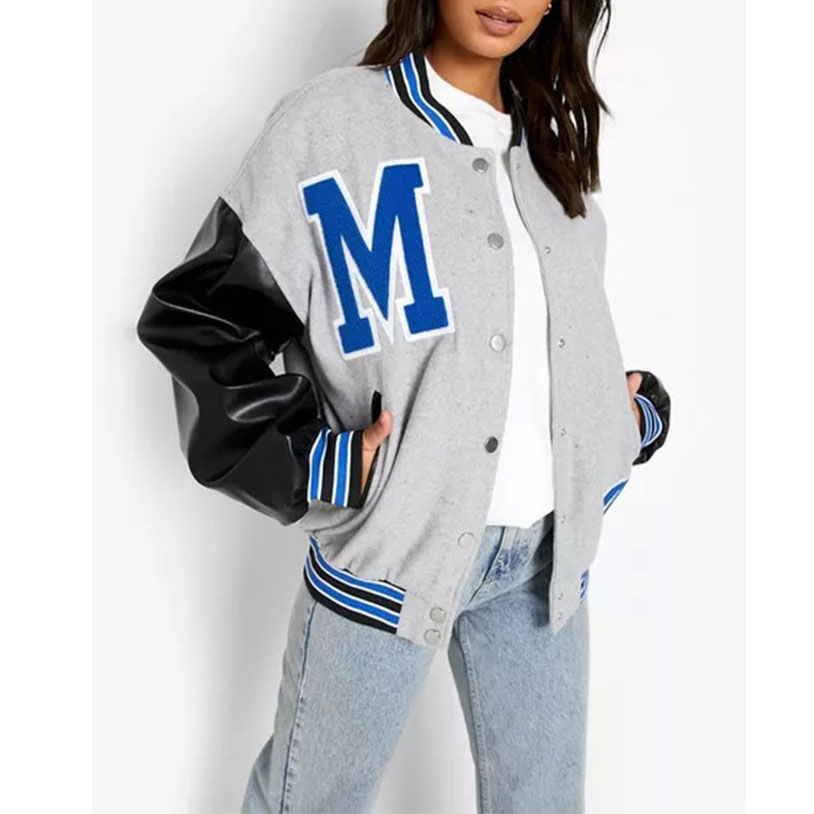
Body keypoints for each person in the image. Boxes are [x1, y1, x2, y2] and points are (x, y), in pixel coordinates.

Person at [136, 1, 671, 811]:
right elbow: (199, 320)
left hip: (544, 565)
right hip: (388, 556)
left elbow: (551, 345)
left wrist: (623, 421)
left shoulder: (550, 148)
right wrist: (317, 460)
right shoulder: (331, 125)